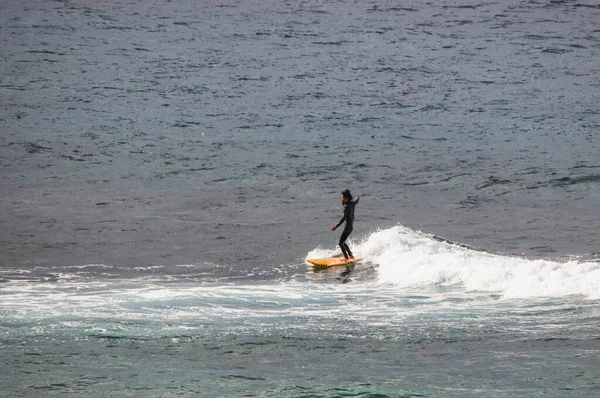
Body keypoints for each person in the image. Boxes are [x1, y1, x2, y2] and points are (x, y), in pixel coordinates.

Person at [331, 189, 360, 260]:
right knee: (343, 242)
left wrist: (336, 226)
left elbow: (343, 218)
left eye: (342, 198)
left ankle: (346, 258)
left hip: (347, 228)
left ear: (346, 198)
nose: (341, 199)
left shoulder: (346, 207)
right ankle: (350, 255)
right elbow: (357, 200)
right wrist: (357, 197)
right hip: (351, 228)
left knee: (340, 243)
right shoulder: (352, 203)